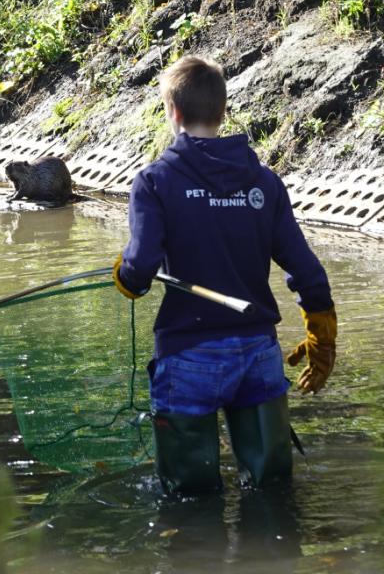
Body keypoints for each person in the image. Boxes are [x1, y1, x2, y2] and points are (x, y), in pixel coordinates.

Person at [113, 55, 337, 496]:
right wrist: (322, 337)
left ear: (173, 112)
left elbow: (138, 273)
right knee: (272, 493)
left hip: (189, 356)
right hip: (258, 355)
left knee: (188, 501)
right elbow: (308, 271)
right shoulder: (263, 182)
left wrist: (125, 275)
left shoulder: (155, 182)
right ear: (221, 111)